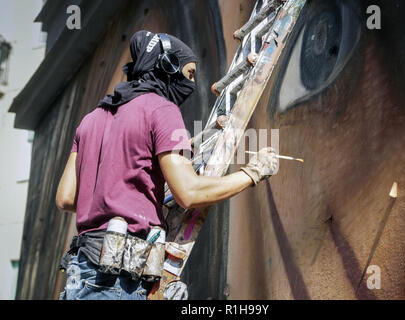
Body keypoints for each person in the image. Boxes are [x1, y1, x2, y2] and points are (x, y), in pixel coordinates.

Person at [55, 30, 278, 300]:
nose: (192, 82)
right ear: (167, 66)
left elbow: (66, 198)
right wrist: (251, 173)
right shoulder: (161, 110)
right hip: (118, 282)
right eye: (189, 72)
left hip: (81, 274)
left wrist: (126, 183)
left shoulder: (90, 120)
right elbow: (189, 193)